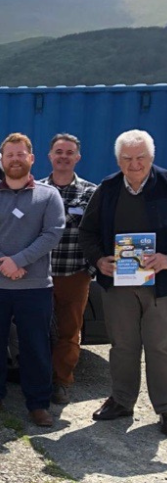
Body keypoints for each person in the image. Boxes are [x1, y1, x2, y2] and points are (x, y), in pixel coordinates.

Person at [0, 133, 64, 428]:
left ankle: (38, 404)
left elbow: (52, 233)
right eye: (9, 155)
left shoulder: (48, 196)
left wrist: (18, 261)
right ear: (2, 160)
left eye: (21, 154)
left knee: (35, 345)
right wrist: (3, 263)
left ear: (31, 158)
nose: (15, 159)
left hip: (33, 287)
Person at [79, 129, 167, 435]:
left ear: (151, 157)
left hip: (161, 287)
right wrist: (99, 260)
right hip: (118, 286)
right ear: (119, 160)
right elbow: (86, 233)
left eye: (140, 157)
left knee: (161, 347)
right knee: (123, 345)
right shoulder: (107, 188)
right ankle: (121, 400)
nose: (134, 164)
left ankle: (166, 408)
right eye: (127, 158)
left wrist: (166, 258)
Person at [37, 134, 96, 406]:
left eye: (69, 152)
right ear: (49, 156)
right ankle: (36, 377)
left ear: (77, 157)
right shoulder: (36, 190)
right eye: (58, 151)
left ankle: (61, 382)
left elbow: (96, 233)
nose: (63, 156)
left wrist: (91, 269)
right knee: (35, 329)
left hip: (74, 274)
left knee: (69, 332)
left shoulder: (90, 192)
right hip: (39, 274)